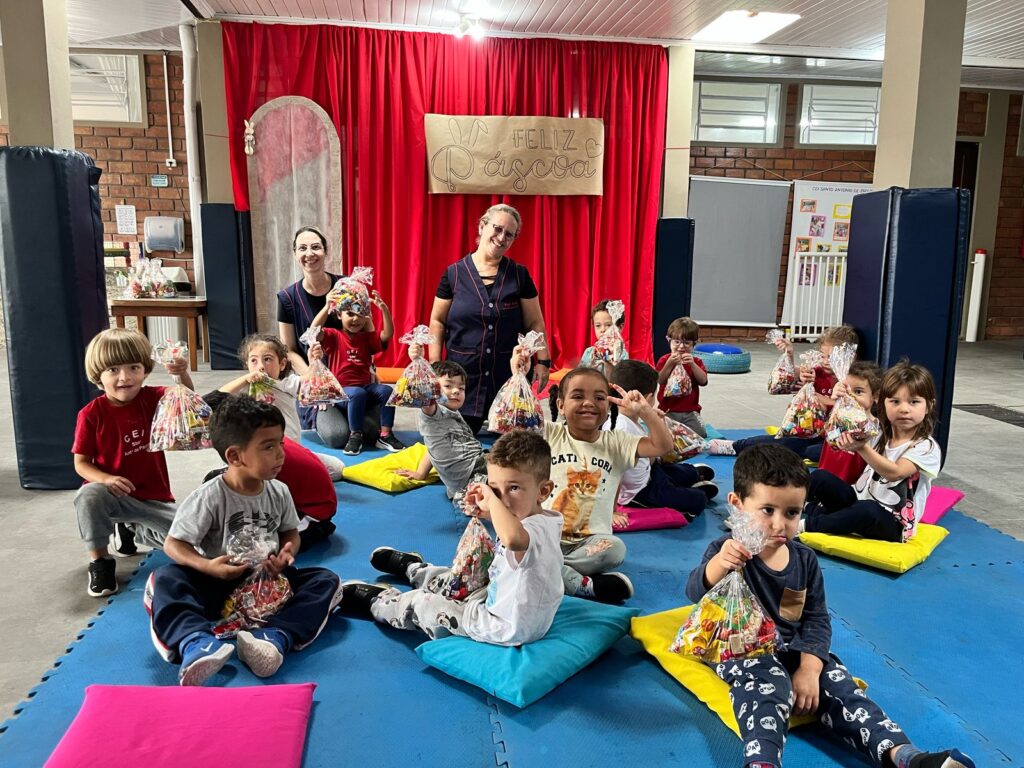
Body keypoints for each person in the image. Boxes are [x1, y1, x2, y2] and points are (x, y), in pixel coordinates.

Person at [687, 444, 975, 768]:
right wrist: (719, 565)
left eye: (792, 513)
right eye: (767, 510)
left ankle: (905, 756)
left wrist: (810, 669)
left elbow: (816, 619)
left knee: (842, 686)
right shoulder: (726, 551)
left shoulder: (804, 559)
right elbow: (695, 591)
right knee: (769, 687)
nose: (780, 525)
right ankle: (762, 762)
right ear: (737, 504)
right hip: (743, 649)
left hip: (794, 647)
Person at [144, 396, 342, 686]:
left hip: (269, 585)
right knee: (165, 579)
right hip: (219, 583)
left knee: (325, 581)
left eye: (281, 443)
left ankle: (273, 637)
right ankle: (195, 643)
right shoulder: (210, 497)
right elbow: (174, 544)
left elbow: (289, 532)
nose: (281, 454)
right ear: (235, 456)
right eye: (269, 447)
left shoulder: (280, 491)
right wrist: (208, 567)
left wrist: (288, 552)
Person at [341, 430, 564, 647]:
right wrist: (487, 512)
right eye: (495, 490)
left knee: (425, 604)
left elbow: (514, 539)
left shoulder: (533, 530)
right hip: (501, 594)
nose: (502, 501)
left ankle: (381, 602)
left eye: (514, 488)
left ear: (543, 491)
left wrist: (491, 499)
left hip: (502, 624)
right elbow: (514, 530)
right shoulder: (545, 517)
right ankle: (415, 569)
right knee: (458, 577)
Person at [72, 328, 193, 598]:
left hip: (153, 500)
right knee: (88, 495)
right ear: (98, 375)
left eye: (133, 368)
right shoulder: (91, 414)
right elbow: (81, 464)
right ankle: (100, 561)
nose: (124, 377)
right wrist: (106, 479)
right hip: (112, 496)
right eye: (113, 370)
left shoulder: (152, 398)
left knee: (192, 542)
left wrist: (181, 372)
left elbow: (185, 400)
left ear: (145, 370)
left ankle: (133, 529)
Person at [541, 360, 673, 603]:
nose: (589, 403)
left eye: (599, 398)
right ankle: (577, 582)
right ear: (560, 405)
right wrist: (518, 372)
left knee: (616, 550)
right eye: (578, 396)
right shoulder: (550, 433)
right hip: (546, 536)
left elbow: (663, 446)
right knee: (515, 540)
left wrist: (645, 412)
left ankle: (548, 569)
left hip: (590, 543)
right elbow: (513, 420)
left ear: (609, 404)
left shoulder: (616, 442)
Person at [428, 204, 551, 435]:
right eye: (497, 229)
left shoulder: (520, 275)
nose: (502, 238)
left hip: (508, 379)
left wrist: (543, 362)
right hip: (462, 381)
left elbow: (535, 323)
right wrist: (435, 367)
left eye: (509, 234)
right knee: (457, 440)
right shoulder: (453, 274)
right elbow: (438, 321)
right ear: (482, 226)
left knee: (514, 444)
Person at [803, 362, 941, 542]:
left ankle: (807, 524)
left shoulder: (926, 446)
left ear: (929, 406)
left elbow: (896, 472)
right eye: (895, 401)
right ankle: (785, 504)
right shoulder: (878, 432)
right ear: (883, 403)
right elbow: (852, 419)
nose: (904, 409)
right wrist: (842, 399)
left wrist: (862, 448)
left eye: (914, 402)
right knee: (821, 477)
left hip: (893, 523)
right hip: (857, 502)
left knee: (867, 510)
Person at [707, 325, 860, 458]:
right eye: (822, 356)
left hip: (836, 438)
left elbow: (856, 411)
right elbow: (787, 378)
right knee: (784, 441)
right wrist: (790, 355)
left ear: (850, 356)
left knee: (813, 451)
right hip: (809, 432)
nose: (825, 361)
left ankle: (798, 452)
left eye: (831, 358)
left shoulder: (856, 380)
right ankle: (735, 446)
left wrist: (818, 396)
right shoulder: (818, 371)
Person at [217, 332, 344, 481]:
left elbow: (312, 382)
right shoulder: (245, 388)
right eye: (254, 361)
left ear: (282, 364)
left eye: (267, 359)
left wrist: (312, 362)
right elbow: (216, 398)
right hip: (259, 453)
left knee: (337, 468)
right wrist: (245, 379)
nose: (261, 367)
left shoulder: (287, 384)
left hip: (289, 451)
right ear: (247, 364)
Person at [605, 360, 717, 523]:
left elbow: (652, 458)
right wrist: (612, 510)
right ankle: (690, 490)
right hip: (639, 492)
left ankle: (688, 479)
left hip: (650, 473)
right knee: (698, 500)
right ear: (648, 398)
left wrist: (655, 422)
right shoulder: (621, 428)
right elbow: (615, 472)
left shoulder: (631, 419)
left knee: (686, 473)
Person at [308, 286, 405, 455]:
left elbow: (387, 334)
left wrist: (384, 309)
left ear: (366, 316)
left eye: (360, 314)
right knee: (357, 393)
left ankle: (385, 435)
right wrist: (327, 306)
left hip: (365, 388)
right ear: (339, 315)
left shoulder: (367, 338)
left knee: (388, 391)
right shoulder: (333, 336)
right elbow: (313, 331)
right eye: (350, 314)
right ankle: (355, 435)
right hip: (342, 391)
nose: (355, 319)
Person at [391, 350, 486, 498]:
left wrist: (421, 473)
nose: (456, 391)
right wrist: (418, 362)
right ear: (433, 388)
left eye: (461, 388)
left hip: (478, 466)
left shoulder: (451, 412)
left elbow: (433, 446)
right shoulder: (433, 412)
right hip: (473, 473)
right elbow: (425, 397)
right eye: (448, 386)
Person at [276, 226, 345, 429]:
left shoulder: (345, 286)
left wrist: (367, 367)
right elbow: (288, 349)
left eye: (315, 247)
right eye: (302, 248)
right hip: (313, 376)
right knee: (336, 434)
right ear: (295, 253)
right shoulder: (287, 298)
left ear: (325, 251)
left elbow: (365, 332)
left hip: (350, 374)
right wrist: (312, 378)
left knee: (367, 429)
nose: (309, 254)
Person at [814, 361, 882, 484]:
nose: (850, 396)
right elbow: (818, 430)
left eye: (858, 392)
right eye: (846, 390)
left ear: (875, 396)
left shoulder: (874, 429)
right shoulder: (837, 416)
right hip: (824, 479)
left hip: (849, 488)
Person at [656, 317, 709, 438]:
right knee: (662, 433)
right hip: (667, 410)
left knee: (701, 434)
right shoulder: (664, 359)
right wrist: (669, 364)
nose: (681, 346)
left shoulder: (696, 361)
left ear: (694, 344)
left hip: (690, 411)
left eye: (686, 343)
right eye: (677, 342)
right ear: (669, 340)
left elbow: (703, 381)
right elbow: (660, 380)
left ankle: (680, 432)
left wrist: (693, 365)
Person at [579, 299, 629, 377]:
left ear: (620, 327)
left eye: (608, 325)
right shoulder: (589, 352)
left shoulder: (622, 355)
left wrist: (610, 364)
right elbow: (579, 376)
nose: (602, 330)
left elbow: (620, 379)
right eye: (598, 326)